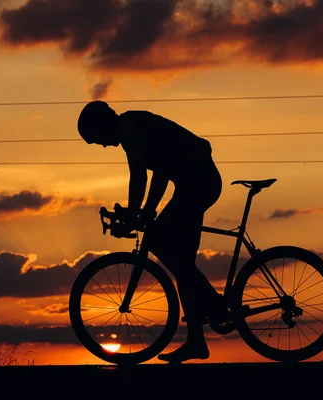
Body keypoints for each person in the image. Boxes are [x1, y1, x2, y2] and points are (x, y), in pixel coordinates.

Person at [77, 100, 229, 363]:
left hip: (198, 182)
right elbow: (161, 170)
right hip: (195, 181)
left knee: (168, 250)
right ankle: (197, 339)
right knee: (182, 265)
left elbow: (139, 176)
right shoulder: (135, 125)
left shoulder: (127, 128)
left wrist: (137, 212)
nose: (102, 145)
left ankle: (214, 306)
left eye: (96, 139)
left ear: (101, 125)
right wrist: (146, 210)